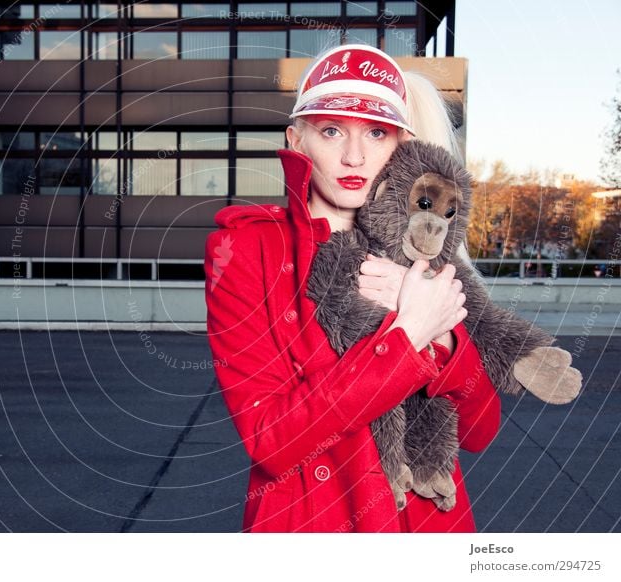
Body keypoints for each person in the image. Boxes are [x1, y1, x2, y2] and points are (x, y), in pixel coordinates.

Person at [203, 44, 501, 533]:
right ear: (296, 140)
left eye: (377, 132)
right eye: (331, 130)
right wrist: (408, 333)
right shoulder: (246, 250)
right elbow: (272, 441)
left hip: (425, 527)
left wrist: (444, 338)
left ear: (401, 144)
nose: (354, 155)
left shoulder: (424, 257)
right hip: (313, 522)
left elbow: (479, 431)